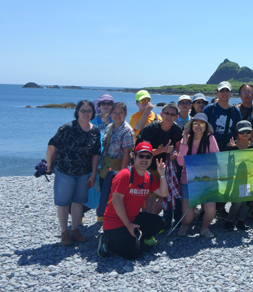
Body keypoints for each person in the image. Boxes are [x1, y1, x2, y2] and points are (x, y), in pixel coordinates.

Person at [97, 142, 168, 259]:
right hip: (114, 223)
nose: (144, 159)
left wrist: (162, 175)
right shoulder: (125, 175)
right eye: (141, 156)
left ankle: (137, 239)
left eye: (148, 157)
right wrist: (128, 225)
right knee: (134, 254)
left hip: (133, 219)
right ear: (134, 157)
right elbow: (116, 201)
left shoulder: (148, 176)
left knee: (160, 223)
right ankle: (107, 242)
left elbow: (163, 193)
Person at [46, 100, 101, 245]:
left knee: (78, 202)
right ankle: (65, 233)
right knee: (63, 203)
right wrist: (49, 164)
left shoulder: (95, 130)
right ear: (77, 111)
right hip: (65, 171)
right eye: (83, 110)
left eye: (89, 111)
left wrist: (94, 174)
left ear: (93, 113)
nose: (86, 113)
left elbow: (96, 154)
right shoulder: (67, 128)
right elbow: (52, 145)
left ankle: (75, 230)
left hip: (84, 173)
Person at [176, 113, 219, 238]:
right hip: (188, 181)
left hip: (206, 181)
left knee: (211, 210)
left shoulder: (210, 138)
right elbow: (180, 162)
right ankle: (185, 225)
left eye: (202, 123)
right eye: (195, 123)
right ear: (191, 125)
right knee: (187, 218)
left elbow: (215, 159)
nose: (198, 126)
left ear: (206, 126)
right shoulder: (185, 139)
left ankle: (204, 228)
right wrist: (184, 142)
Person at [136, 103, 182, 213]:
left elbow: (177, 147)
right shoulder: (150, 129)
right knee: (148, 196)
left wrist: (175, 153)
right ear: (161, 114)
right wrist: (163, 150)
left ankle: (151, 218)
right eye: (166, 113)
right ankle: (144, 220)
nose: (169, 116)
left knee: (166, 193)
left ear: (177, 117)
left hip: (164, 167)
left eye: (172, 114)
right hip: (146, 165)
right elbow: (144, 154)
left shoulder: (176, 130)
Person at [224, 121, 253, 231]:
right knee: (237, 201)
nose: (245, 133)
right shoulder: (230, 146)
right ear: (237, 132)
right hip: (234, 180)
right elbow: (226, 164)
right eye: (242, 131)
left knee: (246, 202)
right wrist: (234, 150)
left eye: (248, 131)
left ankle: (240, 221)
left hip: (249, 178)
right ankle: (229, 221)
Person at [99, 102, 134, 187]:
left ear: (126, 113)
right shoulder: (109, 127)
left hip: (117, 171)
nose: (117, 115)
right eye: (114, 112)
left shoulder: (127, 131)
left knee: (113, 198)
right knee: (104, 197)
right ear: (110, 114)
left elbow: (127, 153)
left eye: (120, 112)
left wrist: (122, 175)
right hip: (105, 169)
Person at [204, 81, 242, 151]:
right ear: (217, 92)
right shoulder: (208, 109)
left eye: (227, 90)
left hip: (229, 149)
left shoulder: (235, 111)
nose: (225, 93)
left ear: (231, 93)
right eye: (222, 90)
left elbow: (238, 131)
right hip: (210, 149)